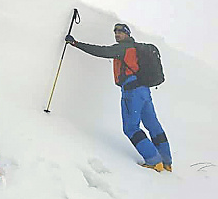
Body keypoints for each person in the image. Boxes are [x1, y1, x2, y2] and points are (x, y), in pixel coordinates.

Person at [65, 23, 172, 172]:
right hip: (144, 91)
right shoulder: (136, 48)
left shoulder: (123, 48)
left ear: (127, 34)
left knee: (130, 128)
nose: (117, 34)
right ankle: (167, 161)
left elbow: (101, 51)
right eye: (115, 32)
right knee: (153, 124)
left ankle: (154, 160)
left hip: (132, 92)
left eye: (121, 32)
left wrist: (76, 44)